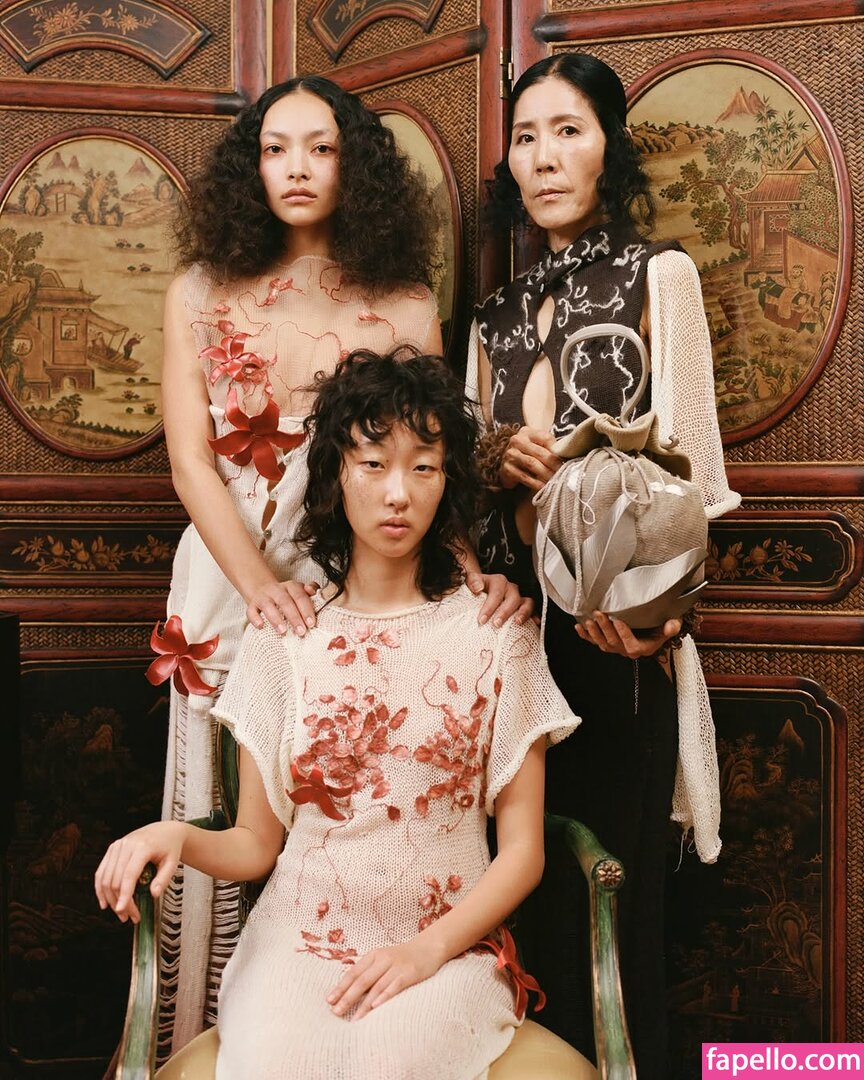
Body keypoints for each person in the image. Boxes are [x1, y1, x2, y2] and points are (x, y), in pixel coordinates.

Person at [155, 75, 529, 1056]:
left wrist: (468, 575)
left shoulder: (403, 299)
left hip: (370, 560)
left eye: (320, 148)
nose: (297, 169)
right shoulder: (197, 291)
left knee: (355, 789)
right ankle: (231, 1035)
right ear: (250, 167)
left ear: (353, 165)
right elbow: (191, 461)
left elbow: (426, 456)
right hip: (235, 567)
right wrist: (260, 590)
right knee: (236, 803)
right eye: (275, 149)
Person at [97, 351, 578, 1079]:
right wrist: (172, 835)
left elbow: (522, 854)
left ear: (448, 483)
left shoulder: (496, 635)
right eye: (373, 463)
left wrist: (425, 952)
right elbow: (256, 845)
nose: (398, 493)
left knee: (394, 1060)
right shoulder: (284, 640)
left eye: (424, 468)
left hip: (444, 950)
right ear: (333, 476)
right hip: (296, 946)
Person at [468, 53, 740, 1077]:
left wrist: (660, 625)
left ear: (608, 149)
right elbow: (462, 500)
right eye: (525, 136)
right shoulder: (493, 318)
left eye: (568, 130)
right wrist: (493, 458)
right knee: (518, 923)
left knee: (614, 922)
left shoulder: (658, 277)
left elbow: (697, 478)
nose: (544, 157)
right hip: (508, 653)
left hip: (616, 646)